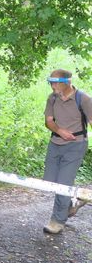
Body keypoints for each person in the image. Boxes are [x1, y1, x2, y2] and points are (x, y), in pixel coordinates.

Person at [42, 70, 91, 234]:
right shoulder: (52, 98)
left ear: (67, 82)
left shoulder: (83, 99)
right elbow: (48, 121)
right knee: (49, 182)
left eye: (56, 82)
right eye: (50, 82)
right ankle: (72, 204)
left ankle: (57, 221)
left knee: (63, 183)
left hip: (76, 145)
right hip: (55, 143)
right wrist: (60, 130)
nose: (52, 85)